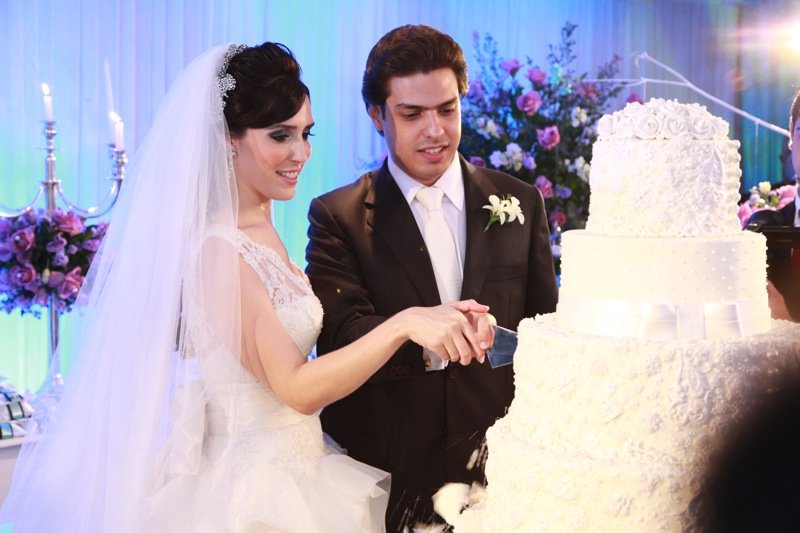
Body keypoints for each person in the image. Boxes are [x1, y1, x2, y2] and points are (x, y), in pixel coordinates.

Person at [0, 42, 494, 532]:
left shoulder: (264, 226)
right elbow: (296, 388)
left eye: (306, 134)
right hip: (254, 492)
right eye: (280, 136)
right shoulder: (219, 250)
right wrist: (406, 323)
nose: (300, 153)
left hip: (303, 465)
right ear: (227, 140)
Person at [305, 24, 558, 530]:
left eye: (447, 109)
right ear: (377, 115)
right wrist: (425, 334)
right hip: (385, 468)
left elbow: (544, 332)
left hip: (504, 468)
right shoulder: (338, 216)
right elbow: (339, 339)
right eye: (412, 114)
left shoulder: (520, 201)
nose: (436, 130)